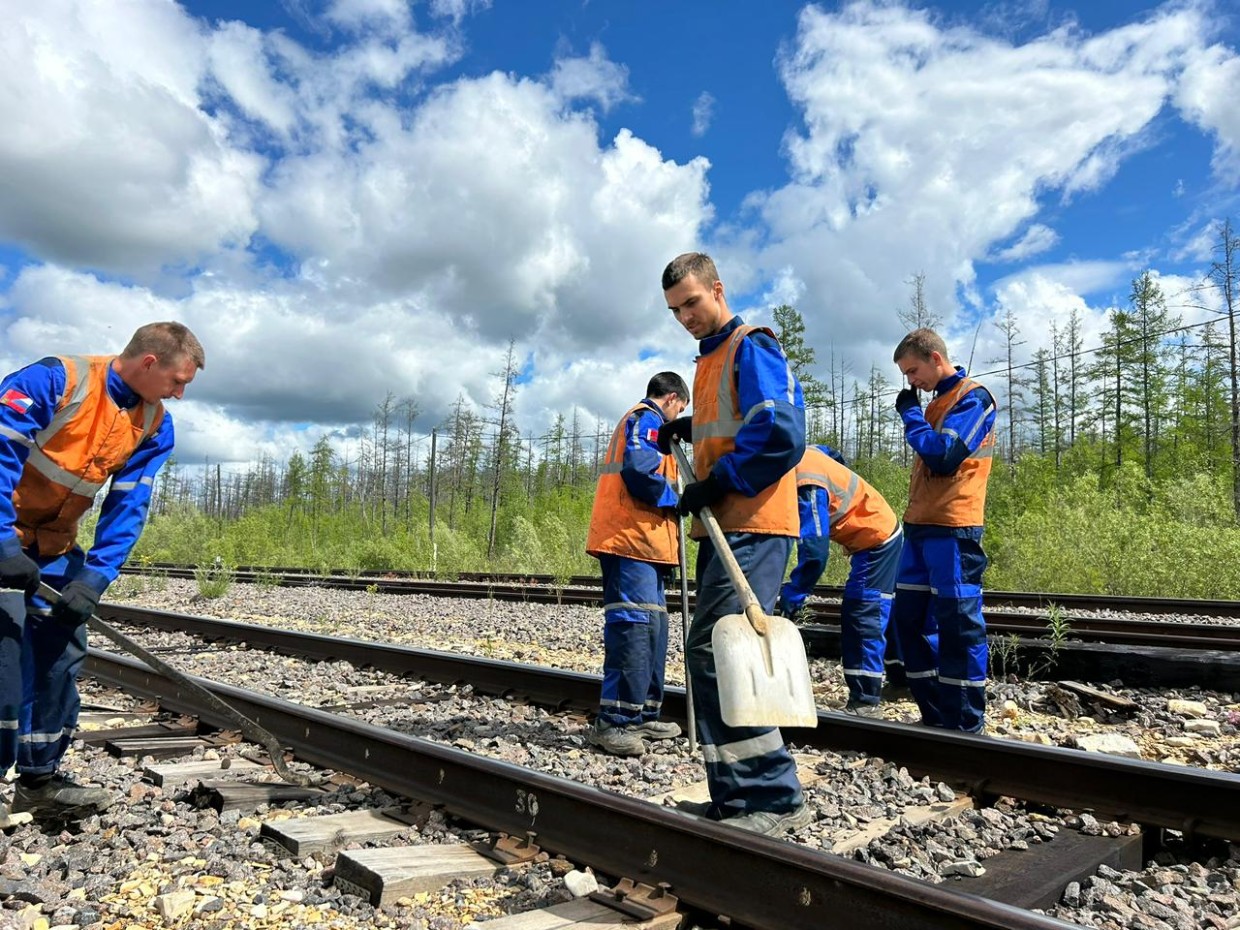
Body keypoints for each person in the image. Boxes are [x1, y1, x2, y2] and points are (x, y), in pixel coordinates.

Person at [0, 322, 204, 820]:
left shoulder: (154, 425)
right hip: (3, 536)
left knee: (61, 652)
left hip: (51, 548)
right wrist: (3, 542)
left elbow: (128, 504)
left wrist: (96, 574)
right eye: (178, 382)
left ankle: (38, 780)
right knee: (4, 658)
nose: (178, 394)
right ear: (149, 363)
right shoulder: (55, 382)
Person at [656, 252, 811, 837]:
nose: (685, 317)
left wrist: (720, 482)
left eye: (692, 303)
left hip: (754, 520)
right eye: (675, 310)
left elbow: (780, 432)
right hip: (731, 520)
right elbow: (736, 424)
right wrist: (691, 429)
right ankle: (737, 798)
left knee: (721, 653)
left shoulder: (752, 345)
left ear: (717, 289)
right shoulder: (711, 359)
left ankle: (770, 796)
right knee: (712, 653)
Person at [890, 327, 996, 733]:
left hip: (954, 530)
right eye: (906, 375)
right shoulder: (937, 404)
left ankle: (965, 725)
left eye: (913, 371)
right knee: (909, 623)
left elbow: (945, 454)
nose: (911, 382)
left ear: (936, 358)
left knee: (957, 625)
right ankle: (935, 717)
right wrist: (919, 414)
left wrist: (910, 415)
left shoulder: (974, 398)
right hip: (919, 528)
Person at [584, 371, 690, 757]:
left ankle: (643, 714)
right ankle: (613, 723)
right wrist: (678, 499)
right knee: (633, 629)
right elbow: (639, 471)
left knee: (653, 631)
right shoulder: (646, 419)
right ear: (674, 399)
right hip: (629, 541)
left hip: (647, 545)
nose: (681, 415)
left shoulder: (654, 427)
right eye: (683, 408)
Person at [774, 444, 902, 717]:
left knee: (862, 611)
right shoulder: (805, 452)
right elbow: (831, 453)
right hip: (879, 529)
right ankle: (901, 681)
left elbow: (815, 554)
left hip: (875, 538)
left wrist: (793, 595)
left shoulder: (806, 484)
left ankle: (865, 700)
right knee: (885, 610)